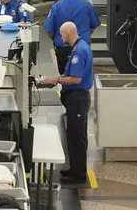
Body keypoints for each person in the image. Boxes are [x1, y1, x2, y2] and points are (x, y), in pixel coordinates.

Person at [42, 22, 94, 184]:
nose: (61, 37)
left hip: (77, 99)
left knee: (77, 137)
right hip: (75, 98)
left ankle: (78, 175)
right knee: (73, 136)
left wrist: (55, 79)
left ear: (69, 33)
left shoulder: (79, 52)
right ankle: (74, 168)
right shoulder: (80, 46)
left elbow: (76, 79)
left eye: (62, 34)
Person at [45, 0, 100, 75]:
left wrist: (59, 40)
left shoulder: (56, 6)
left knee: (65, 77)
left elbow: (50, 30)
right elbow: (93, 25)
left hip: (63, 48)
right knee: (82, 76)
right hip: (83, 47)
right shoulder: (86, 4)